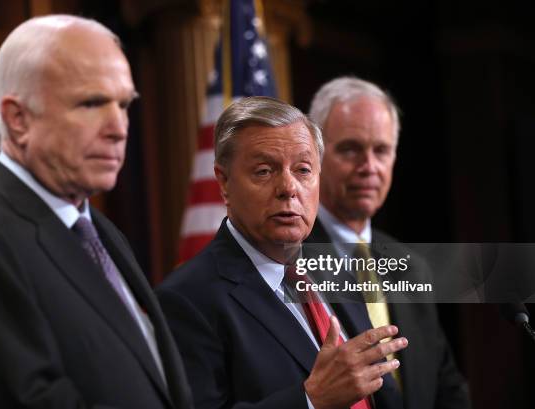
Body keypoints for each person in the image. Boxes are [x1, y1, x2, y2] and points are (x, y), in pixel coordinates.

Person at [0, 15, 191, 409]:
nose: (119, 128)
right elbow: (5, 400)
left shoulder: (99, 230)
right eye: (92, 102)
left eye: (124, 104)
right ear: (18, 120)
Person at [157, 96, 409, 409]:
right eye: (264, 171)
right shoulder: (186, 299)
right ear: (223, 183)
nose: (288, 187)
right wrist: (310, 401)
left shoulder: (335, 270)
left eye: (303, 169)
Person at [307, 76, 471, 408]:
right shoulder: (285, 261)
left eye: (381, 150)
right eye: (350, 149)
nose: (369, 167)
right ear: (315, 155)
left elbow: (446, 388)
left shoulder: (411, 266)